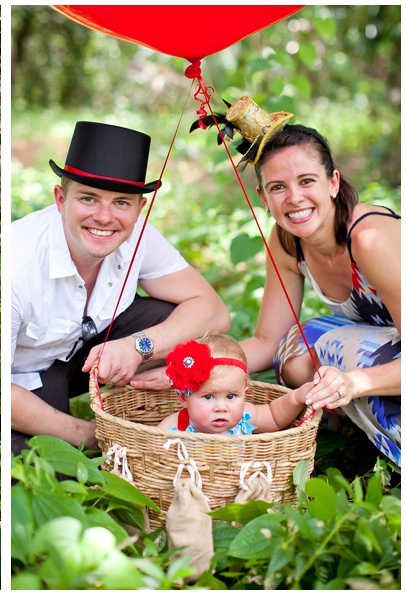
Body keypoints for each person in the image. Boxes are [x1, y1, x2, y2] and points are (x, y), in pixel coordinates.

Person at [137, 96, 401, 465]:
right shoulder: (286, 238)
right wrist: (191, 371)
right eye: (278, 187)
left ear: (333, 183)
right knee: (293, 351)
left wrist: (355, 382)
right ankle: (350, 434)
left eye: (307, 181)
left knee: (335, 351)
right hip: (388, 344)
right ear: (263, 196)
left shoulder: (369, 237)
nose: (294, 198)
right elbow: (267, 339)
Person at [11, 121, 231, 456]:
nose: (104, 217)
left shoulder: (138, 233)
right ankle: (96, 430)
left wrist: (136, 347)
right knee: (47, 477)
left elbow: (213, 312)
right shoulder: (18, 263)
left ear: (139, 208)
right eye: (89, 198)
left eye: (122, 203)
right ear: (60, 199)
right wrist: (86, 433)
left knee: (168, 317)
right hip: (24, 376)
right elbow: (0, 387)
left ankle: (156, 418)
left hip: (91, 355)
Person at [157, 334, 311, 434]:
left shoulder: (244, 416)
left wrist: (296, 398)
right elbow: (151, 447)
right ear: (184, 399)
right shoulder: (175, 427)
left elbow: (274, 415)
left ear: (245, 394)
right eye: (209, 397)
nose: (221, 407)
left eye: (231, 396)